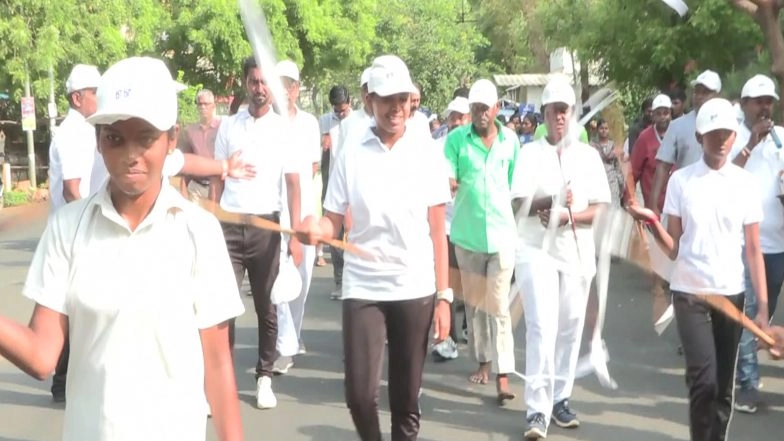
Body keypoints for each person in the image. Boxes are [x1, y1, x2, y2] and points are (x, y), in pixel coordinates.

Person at [0, 56, 245, 440]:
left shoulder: (199, 231)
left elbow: (217, 365)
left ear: (170, 138)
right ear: (98, 142)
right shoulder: (68, 228)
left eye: (146, 137)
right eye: (115, 138)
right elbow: (42, 355)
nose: (131, 154)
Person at [296, 55, 451, 441]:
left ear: (411, 100)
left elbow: (437, 231)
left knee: (405, 398)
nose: (396, 107)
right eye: (386, 99)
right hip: (363, 283)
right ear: (370, 101)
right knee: (360, 396)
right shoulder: (351, 153)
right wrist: (317, 227)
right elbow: (333, 218)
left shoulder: (427, 151)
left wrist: (444, 297)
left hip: (414, 286)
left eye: (403, 98)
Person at [627, 98, 769, 441]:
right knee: (702, 382)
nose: (720, 140)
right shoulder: (682, 182)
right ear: (699, 135)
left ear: (735, 136)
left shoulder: (745, 184)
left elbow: (753, 249)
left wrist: (762, 307)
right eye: (712, 133)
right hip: (690, 293)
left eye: (726, 133)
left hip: (731, 294)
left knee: (721, 389)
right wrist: (651, 221)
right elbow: (674, 247)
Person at [511, 77, 611, 440]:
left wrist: (570, 216)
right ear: (543, 115)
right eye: (553, 111)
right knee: (542, 327)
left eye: (565, 111)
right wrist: (551, 200)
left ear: (572, 115)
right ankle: (536, 409)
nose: (559, 118)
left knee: (569, 327)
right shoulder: (529, 154)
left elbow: (601, 208)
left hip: (577, 253)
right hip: (536, 252)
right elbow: (516, 204)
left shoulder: (588, 157)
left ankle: (560, 398)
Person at [211, 56, 303, 410]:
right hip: (230, 226)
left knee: (267, 307)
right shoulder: (229, 126)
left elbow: (293, 185)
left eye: (265, 83)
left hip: (268, 227)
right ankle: (221, 381)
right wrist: (212, 221)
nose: (260, 89)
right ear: (246, 84)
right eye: (254, 82)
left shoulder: (284, 130)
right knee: (223, 307)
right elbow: (218, 179)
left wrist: (294, 234)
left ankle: (264, 376)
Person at [444, 79, 518, 402]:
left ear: (497, 108)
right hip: (468, 237)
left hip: (502, 235)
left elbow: (512, 182)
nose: (480, 114)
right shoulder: (456, 140)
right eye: (475, 108)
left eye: (485, 108)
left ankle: (503, 373)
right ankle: (484, 362)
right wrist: (448, 181)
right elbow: (447, 175)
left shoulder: (510, 141)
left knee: (499, 305)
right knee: (476, 306)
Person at [45, 63, 101, 402]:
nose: (99, 98)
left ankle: (67, 380)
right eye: (95, 93)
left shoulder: (85, 129)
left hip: (76, 229)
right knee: (77, 310)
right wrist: (92, 226)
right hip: (74, 233)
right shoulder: (73, 132)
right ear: (77, 98)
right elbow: (71, 189)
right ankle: (64, 381)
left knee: (77, 310)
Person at [729, 74, 784, 414]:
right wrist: (750, 144)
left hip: (779, 245)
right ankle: (747, 384)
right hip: (745, 244)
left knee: (767, 314)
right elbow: (725, 179)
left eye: (770, 101)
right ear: (746, 104)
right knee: (748, 314)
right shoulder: (731, 139)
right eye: (758, 101)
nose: (765, 107)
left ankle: (748, 365)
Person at [273, 60, 321, 373]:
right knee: (277, 285)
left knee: (301, 284)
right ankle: (284, 345)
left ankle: (294, 335)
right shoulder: (266, 123)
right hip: (272, 215)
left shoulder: (309, 124)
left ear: (296, 89)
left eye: (287, 84)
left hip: (304, 217)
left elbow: (313, 169)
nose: (283, 90)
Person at [432, 96, 470, 362]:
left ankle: (472, 333)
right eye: (453, 117)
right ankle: (447, 339)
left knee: (469, 283)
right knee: (446, 282)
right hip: (444, 224)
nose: (457, 122)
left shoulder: (476, 147)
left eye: (461, 117)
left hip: (472, 225)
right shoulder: (436, 147)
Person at [179, 89, 222, 198]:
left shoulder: (222, 128)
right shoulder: (190, 131)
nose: (203, 107)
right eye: (200, 104)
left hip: (217, 186)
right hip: (196, 186)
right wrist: (183, 187)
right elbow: (186, 161)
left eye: (206, 104)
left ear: (213, 106)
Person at [590, 119, 623, 206]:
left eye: (606, 128)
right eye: (601, 128)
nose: (604, 130)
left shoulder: (614, 146)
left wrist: (621, 185)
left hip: (612, 182)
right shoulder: (592, 146)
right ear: (597, 129)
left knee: (614, 211)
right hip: (598, 181)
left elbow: (618, 167)